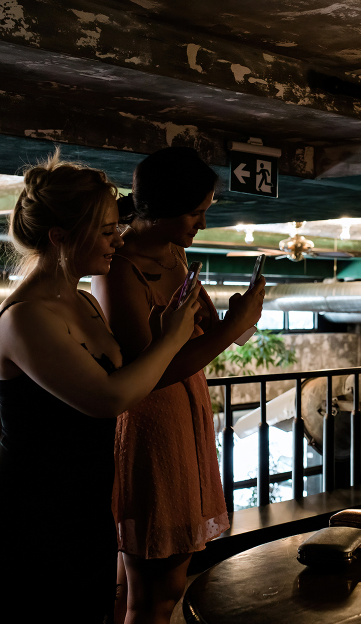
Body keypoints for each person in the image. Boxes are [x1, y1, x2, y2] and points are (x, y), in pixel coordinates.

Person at [0, 153, 200, 622]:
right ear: (60, 237)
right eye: (106, 230)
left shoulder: (83, 302)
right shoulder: (26, 317)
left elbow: (128, 373)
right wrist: (172, 339)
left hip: (86, 508)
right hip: (29, 516)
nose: (119, 240)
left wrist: (163, 332)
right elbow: (108, 398)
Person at [91, 147, 264, 624]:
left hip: (187, 411)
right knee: (159, 590)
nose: (203, 224)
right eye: (195, 212)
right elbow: (151, 371)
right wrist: (233, 329)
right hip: (151, 424)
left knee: (146, 588)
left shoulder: (174, 252)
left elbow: (194, 336)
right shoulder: (119, 269)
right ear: (162, 208)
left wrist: (231, 320)